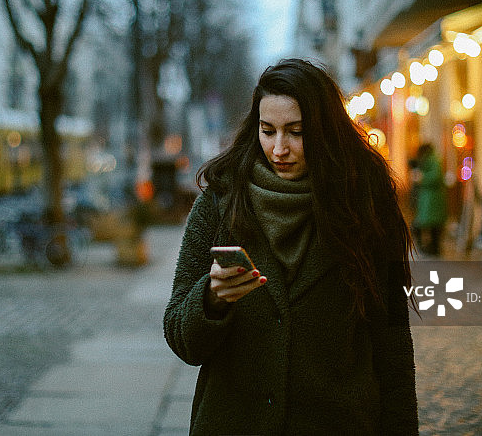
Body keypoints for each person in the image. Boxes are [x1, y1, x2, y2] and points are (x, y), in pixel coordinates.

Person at [164, 59, 418, 435]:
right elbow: (180, 337)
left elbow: (392, 343)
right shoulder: (220, 202)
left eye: (296, 132)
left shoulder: (365, 205)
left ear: (325, 131)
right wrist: (212, 299)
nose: (279, 148)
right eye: (268, 131)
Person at [411, 143, 447, 255]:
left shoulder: (433, 160)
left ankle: (432, 249)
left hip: (431, 199)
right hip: (430, 199)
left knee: (431, 226)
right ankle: (431, 248)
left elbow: (436, 176)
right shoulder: (432, 159)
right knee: (431, 226)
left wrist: (421, 178)